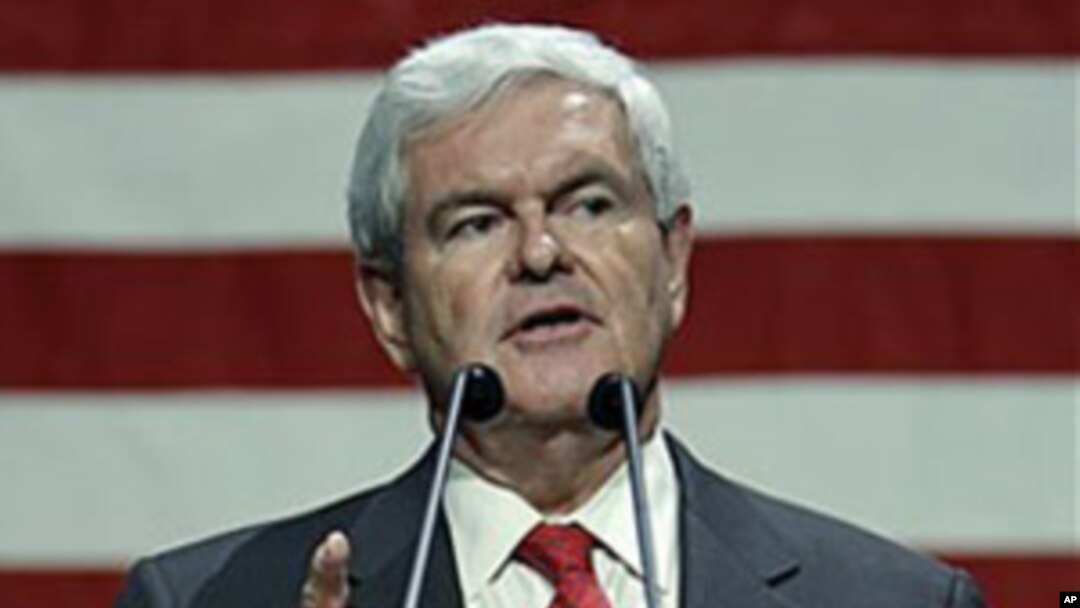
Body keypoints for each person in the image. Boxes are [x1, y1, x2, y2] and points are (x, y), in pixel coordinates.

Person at [114, 23, 988, 608]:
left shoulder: (892, 602)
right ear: (389, 307)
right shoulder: (207, 601)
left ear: (674, 262)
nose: (540, 252)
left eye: (589, 205)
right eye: (477, 223)